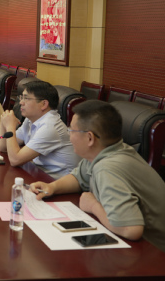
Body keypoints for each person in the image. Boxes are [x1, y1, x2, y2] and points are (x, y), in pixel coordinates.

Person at [30, 100, 165, 251]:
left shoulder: (108, 168)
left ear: (89, 138)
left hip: (154, 253)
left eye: (72, 130)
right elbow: (79, 178)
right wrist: (52, 187)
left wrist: (93, 206)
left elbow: (131, 229)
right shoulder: (106, 151)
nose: (69, 135)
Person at [0, 80, 81, 178]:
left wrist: (10, 127)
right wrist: (3, 121)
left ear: (43, 104)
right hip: (39, 173)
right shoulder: (30, 120)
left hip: (58, 181)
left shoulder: (50, 127)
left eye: (26, 98)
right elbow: (3, 147)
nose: (21, 102)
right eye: (21, 97)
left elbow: (15, 160)